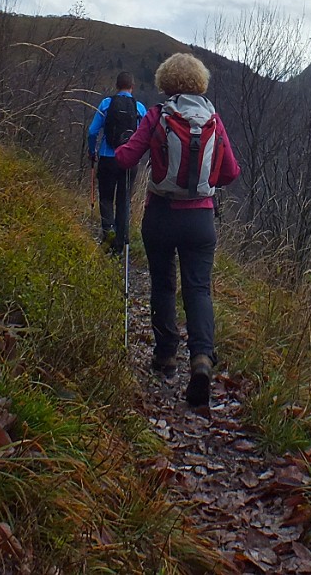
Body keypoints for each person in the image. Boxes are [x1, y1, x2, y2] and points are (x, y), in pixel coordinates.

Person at [113, 52, 240, 407]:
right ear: (200, 83)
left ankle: (165, 355)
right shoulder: (213, 118)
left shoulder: (157, 115)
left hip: (162, 215)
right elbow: (230, 173)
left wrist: (126, 142)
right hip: (201, 220)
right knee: (198, 290)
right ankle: (201, 359)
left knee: (163, 283)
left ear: (165, 82)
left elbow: (125, 158)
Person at [86, 72, 145, 255]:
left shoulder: (106, 104)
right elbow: (145, 135)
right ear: (132, 86)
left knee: (105, 197)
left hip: (108, 157)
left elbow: (92, 131)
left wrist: (92, 151)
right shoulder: (140, 108)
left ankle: (108, 231)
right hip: (129, 160)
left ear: (117, 86)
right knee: (124, 200)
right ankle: (121, 243)